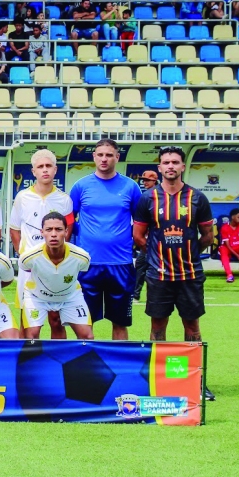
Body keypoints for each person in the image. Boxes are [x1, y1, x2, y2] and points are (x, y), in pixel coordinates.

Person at [132, 146, 216, 399]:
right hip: (158, 276)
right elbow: (138, 235)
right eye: (166, 162)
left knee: (192, 325)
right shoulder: (148, 198)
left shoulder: (197, 198)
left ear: (182, 167)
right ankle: (159, 381)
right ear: (159, 168)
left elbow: (208, 236)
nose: (170, 166)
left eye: (175, 162)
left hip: (190, 275)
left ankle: (196, 381)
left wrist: (189, 253)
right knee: (158, 326)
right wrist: (158, 254)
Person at [70, 138, 142, 341]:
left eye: (109, 155)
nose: (104, 159)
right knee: (85, 323)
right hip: (87, 264)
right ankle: (86, 368)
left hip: (121, 264)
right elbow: (68, 220)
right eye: (100, 155)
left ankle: (119, 365)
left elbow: (140, 222)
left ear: (117, 157)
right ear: (94, 157)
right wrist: (83, 232)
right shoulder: (81, 186)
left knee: (119, 322)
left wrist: (122, 238)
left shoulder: (130, 187)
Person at [9, 148, 74, 339]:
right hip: (29, 267)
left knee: (56, 318)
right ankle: (24, 361)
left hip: (54, 266)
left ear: (55, 169)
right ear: (33, 171)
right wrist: (23, 256)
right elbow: (14, 229)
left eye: (48, 166)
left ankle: (58, 360)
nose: (45, 170)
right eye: (40, 166)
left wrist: (57, 255)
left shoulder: (64, 199)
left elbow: (68, 229)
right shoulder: (22, 197)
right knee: (27, 319)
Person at [19, 212, 93, 340]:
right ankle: (34, 360)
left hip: (70, 297)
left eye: (58, 229)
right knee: (31, 336)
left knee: (87, 336)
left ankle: (73, 360)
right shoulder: (28, 257)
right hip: (37, 297)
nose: (53, 234)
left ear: (66, 231)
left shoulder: (82, 257)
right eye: (49, 229)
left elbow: (83, 269)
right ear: (42, 232)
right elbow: (25, 268)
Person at [133, 170, 159, 301]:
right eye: (143, 180)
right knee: (140, 266)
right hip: (146, 239)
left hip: (160, 240)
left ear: (155, 181)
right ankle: (135, 294)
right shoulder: (145, 197)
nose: (144, 182)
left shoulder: (161, 197)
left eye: (147, 180)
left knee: (156, 268)